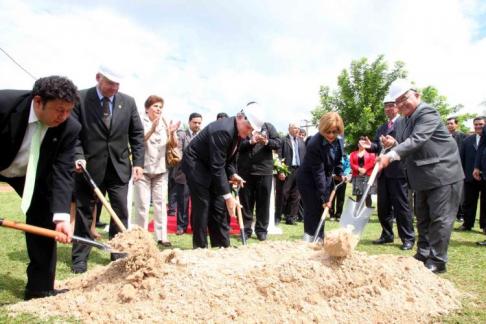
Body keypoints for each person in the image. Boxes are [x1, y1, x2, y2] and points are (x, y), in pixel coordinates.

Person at [0, 76, 81, 300]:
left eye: (68, 111)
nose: (63, 117)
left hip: (31, 172)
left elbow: (63, 171)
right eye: (59, 110)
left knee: (46, 215)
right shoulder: (4, 103)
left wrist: (62, 217)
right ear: (38, 101)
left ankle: (40, 287)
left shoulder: (69, 127)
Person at [376, 79, 464, 273]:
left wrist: (390, 156)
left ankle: (438, 260)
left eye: (403, 99)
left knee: (440, 219)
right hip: (422, 177)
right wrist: (394, 142)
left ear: (416, 95)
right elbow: (409, 141)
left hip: (443, 174)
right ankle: (423, 253)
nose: (400, 105)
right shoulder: (406, 119)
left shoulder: (426, 112)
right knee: (422, 217)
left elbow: (418, 139)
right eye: (397, 102)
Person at [71, 65, 145, 273]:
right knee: (86, 212)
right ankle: (80, 259)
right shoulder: (81, 98)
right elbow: (73, 133)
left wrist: (138, 162)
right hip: (88, 167)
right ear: (98, 78)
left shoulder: (128, 102)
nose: (114, 87)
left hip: (119, 167)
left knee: (120, 211)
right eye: (109, 83)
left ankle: (118, 255)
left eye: (117, 84)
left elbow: (137, 134)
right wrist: (78, 156)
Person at [180, 103, 264, 248]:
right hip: (196, 165)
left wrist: (232, 174)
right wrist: (228, 196)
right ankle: (200, 248)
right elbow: (217, 166)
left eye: (252, 129)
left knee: (219, 204)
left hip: (211, 166)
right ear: (239, 117)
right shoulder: (223, 130)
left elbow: (228, 159)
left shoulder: (238, 133)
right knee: (203, 204)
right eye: (248, 127)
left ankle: (223, 247)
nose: (249, 132)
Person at [360, 95, 415, 250]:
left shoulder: (405, 123)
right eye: (386, 106)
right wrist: (370, 145)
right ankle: (386, 234)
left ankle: (408, 238)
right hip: (382, 172)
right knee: (383, 206)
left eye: (391, 105)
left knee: (401, 206)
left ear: (398, 106)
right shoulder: (382, 127)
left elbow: (410, 143)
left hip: (398, 170)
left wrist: (396, 143)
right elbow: (379, 146)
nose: (388, 109)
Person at [134, 95, 180, 247]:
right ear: (147, 108)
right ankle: (141, 236)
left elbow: (173, 145)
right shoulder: (139, 120)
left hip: (161, 169)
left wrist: (172, 132)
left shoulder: (165, 122)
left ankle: (162, 236)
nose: (158, 109)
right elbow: (137, 141)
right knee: (142, 204)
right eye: (155, 106)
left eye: (160, 106)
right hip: (143, 169)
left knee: (161, 204)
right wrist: (152, 129)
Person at [297, 112, 346, 240]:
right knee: (313, 208)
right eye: (327, 131)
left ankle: (320, 237)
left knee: (321, 209)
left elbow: (339, 159)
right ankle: (310, 237)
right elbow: (318, 173)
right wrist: (325, 198)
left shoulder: (340, 139)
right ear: (322, 129)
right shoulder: (314, 144)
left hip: (326, 177)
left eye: (334, 131)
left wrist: (340, 173)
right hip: (308, 179)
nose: (331, 135)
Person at [237, 111, 280, 241]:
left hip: (264, 171)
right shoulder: (243, 127)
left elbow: (278, 143)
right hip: (246, 171)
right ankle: (246, 230)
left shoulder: (268, 127)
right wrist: (251, 141)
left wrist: (266, 142)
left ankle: (261, 231)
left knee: (263, 203)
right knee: (246, 203)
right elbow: (238, 146)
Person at [173, 112, 202, 235]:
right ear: (189, 122)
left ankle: (195, 225)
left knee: (197, 203)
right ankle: (181, 226)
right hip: (183, 173)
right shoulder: (182, 135)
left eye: (199, 123)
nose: (197, 125)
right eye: (195, 122)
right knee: (183, 202)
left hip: (199, 176)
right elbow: (178, 152)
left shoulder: (202, 136)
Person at [275, 122, 306, 225]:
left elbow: (304, 157)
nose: (297, 130)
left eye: (298, 128)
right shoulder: (283, 140)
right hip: (286, 170)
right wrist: (280, 171)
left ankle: (291, 217)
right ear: (289, 129)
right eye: (295, 128)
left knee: (296, 196)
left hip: (299, 171)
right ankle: (278, 216)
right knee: (282, 194)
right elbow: (278, 156)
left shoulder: (301, 141)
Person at [460, 117, 485, 234]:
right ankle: (467, 223)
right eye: (476, 124)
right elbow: (462, 159)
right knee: (468, 201)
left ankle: (484, 226)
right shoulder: (467, 140)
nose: (478, 127)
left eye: (481, 124)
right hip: (470, 176)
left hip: (484, 175)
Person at [447, 117, 469, 223]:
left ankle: (460, 214)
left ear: (457, 124)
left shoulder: (464, 137)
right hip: (446, 168)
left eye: (451, 123)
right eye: (448, 124)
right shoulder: (445, 136)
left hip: (459, 167)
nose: (449, 125)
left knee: (459, 193)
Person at [350, 136, 376, 208]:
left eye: (362, 143)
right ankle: (358, 212)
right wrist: (359, 169)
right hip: (357, 176)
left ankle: (367, 214)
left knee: (368, 195)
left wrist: (364, 169)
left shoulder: (371, 153)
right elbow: (352, 164)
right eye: (359, 143)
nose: (360, 144)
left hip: (368, 175)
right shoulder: (353, 154)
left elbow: (372, 162)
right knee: (359, 195)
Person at [329, 153, 350, 221]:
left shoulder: (345, 156)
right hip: (332, 179)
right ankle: (331, 214)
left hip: (342, 179)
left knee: (341, 198)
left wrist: (344, 175)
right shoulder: (331, 154)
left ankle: (338, 215)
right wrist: (333, 175)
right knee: (332, 197)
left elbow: (348, 167)